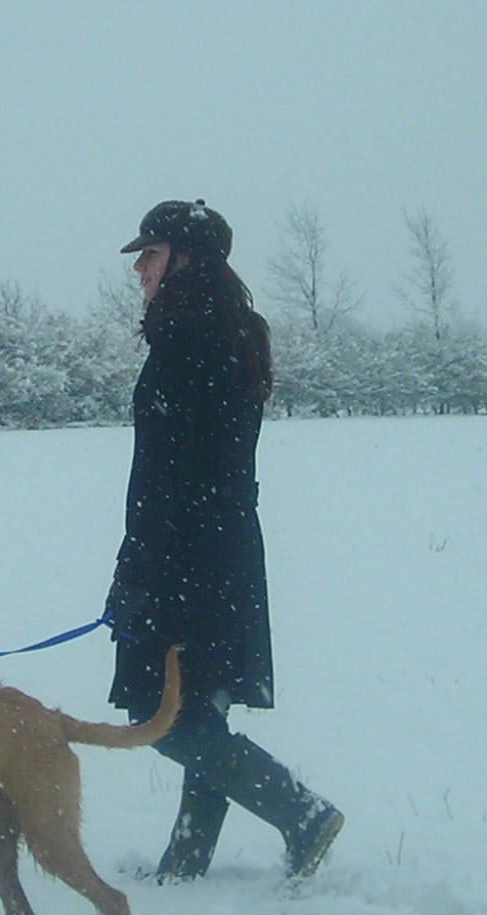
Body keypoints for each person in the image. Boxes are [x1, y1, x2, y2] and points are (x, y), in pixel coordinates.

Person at [103, 199, 345, 880]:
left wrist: (139, 569)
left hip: (183, 550)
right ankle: (186, 859)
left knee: (164, 713)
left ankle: (300, 813)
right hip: (223, 544)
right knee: (199, 701)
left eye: (149, 255)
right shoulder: (231, 331)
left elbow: (165, 473)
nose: (140, 270)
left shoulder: (187, 341)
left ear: (186, 259)